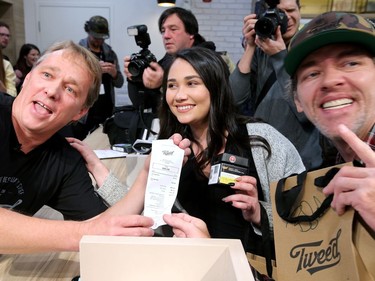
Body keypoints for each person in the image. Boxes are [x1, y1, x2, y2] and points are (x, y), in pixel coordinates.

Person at [72, 47, 305, 258]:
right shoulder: (173, 149)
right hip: (194, 267)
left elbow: (305, 222)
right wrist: (97, 168)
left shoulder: (260, 141)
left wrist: (258, 213)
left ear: (216, 87)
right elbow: (144, 214)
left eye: (192, 83)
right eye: (172, 85)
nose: (179, 95)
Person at [0, 40, 158, 254]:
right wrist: (82, 232)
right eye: (47, 75)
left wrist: (145, 177)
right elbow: (92, 230)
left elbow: (104, 227)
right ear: (28, 78)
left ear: (80, 113)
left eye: (70, 89)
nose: (52, 90)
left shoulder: (64, 157)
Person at [284, 11, 375, 233]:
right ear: (298, 100)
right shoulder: (338, 163)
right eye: (312, 74)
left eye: (351, 63)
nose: (331, 80)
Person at [229, 0, 324, 171]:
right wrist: (250, 46)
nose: (286, 17)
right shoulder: (262, 51)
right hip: (263, 155)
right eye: (279, 12)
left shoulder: (311, 50)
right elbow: (233, 99)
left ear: (300, 11)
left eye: (290, 10)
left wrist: (280, 56)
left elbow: (305, 112)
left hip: (300, 161)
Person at [124, 7, 233, 113]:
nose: (166, 35)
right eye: (163, 30)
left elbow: (218, 103)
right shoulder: (163, 65)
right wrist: (134, 79)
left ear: (191, 33)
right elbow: (141, 104)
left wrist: (163, 84)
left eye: (173, 29)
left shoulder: (213, 62)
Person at [64, 15, 124, 140]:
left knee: (104, 144)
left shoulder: (110, 52)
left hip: (106, 109)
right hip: (84, 110)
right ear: (88, 32)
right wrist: (94, 71)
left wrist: (114, 73)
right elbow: (70, 78)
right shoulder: (78, 51)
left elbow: (119, 83)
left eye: (102, 38)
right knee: (81, 143)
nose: (99, 41)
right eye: (96, 37)